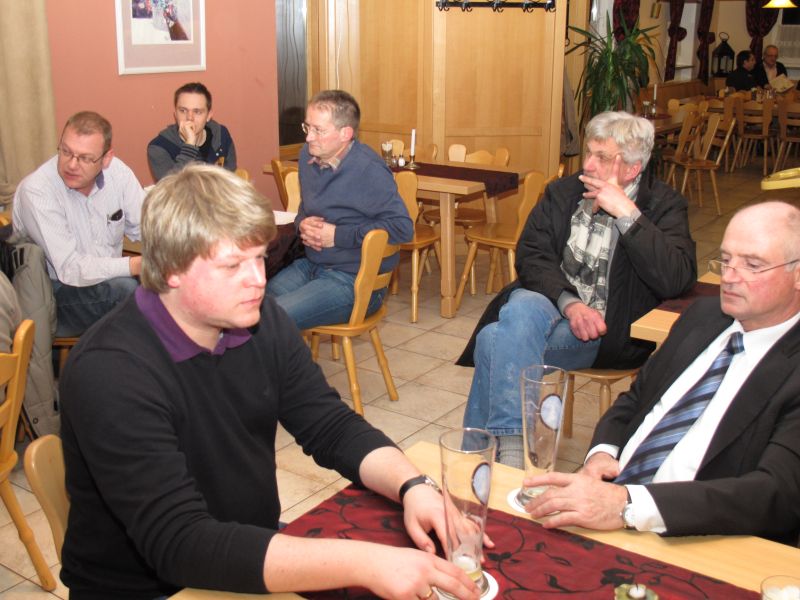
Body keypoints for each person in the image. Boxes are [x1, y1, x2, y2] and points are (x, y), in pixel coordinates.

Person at [59, 164, 480, 600]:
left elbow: (329, 425)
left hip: (245, 548)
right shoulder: (109, 370)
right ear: (170, 269)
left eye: (260, 257)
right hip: (151, 585)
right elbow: (180, 543)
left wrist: (414, 487)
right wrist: (366, 563)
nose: (259, 280)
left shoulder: (257, 320)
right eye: (232, 265)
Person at [523, 201, 800, 546]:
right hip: (611, 500)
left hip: (692, 535)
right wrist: (602, 454)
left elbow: (775, 494)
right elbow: (636, 399)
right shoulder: (703, 317)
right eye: (726, 260)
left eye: (752, 265)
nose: (729, 277)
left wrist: (629, 505)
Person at [457, 111, 696, 468]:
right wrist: (570, 304)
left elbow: (677, 278)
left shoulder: (663, 205)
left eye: (602, 157)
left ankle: (478, 460)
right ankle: (509, 455)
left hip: (605, 331)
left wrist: (628, 216)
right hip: (550, 306)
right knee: (523, 304)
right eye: (588, 152)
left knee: (494, 340)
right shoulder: (564, 192)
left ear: (633, 168)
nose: (587, 165)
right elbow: (531, 255)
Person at [266, 89, 413, 330]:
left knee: (272, 320)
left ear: (346, 133)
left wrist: (338, 235)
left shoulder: (368, 169)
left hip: (354, 279)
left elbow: (402, 228)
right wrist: (302, 223)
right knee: (247, 305)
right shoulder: (307, 157)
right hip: (311, 264)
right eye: (307, 127)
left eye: (318, 130)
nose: (309, 137)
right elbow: (305, 208)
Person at [12, 111, 143, 337]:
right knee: (128, 291)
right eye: (66, 152)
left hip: (106, 280)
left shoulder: (118, 173)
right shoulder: (37, 191)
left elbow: (146, 227)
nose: (72, 165)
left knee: (167, 282)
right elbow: (70, 268)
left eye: (85, 158)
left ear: (106, 158)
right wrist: (134, 265)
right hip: (54, 294)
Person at [147, 82, 237, 181]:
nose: (189, 118)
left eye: (197, 112)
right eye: (183, 111)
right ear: (175, 114)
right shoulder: (158, 147)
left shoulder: (221, 135)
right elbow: (172, 188)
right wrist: (189, 145)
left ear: (209, 115)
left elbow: (230, 179)